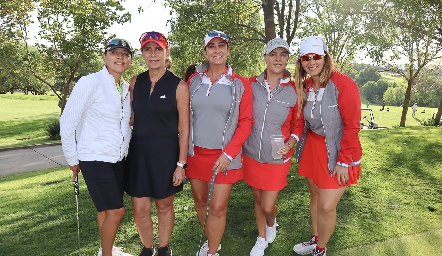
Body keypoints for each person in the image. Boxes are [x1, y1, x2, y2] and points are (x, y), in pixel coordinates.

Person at [60, 38, 134, 256]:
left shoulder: (125, 88)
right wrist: (72, 159)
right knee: (117, 211)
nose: (120, 57)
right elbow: (67, 122)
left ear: (130, 60)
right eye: (114, 53)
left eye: (125, 54)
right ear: (104, 57)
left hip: (117, 159)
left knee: (105, 210)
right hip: (94, 158)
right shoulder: (90, 82)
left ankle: (106, 249)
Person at [292, 36, 362, 256]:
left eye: (316, 57)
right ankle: (315, 238)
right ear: (300, 61)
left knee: (326, 205)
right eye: (306, 58)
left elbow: (352, 126)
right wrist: (293, 140)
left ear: (325, 58)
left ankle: (321, 249)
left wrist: (343, 161)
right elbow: (300, 120)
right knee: (315, 196)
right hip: (313, 148)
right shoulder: (304, 86)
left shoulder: (343, 84)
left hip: (338, 151)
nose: (311, 62)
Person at [186, 30, 253, 256]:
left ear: (228, 50)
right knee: (200, 201)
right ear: (205, 52)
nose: (217, 50)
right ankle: (212, 239)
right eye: (212, 46)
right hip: (195, 155)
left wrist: (229, 154)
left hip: (224, 157)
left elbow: (246, 122)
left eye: (221, 46)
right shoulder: (194, 81)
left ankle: (212, 251)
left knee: (217, 207)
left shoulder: (239, 83)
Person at [124, 31, 190, 256]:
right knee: (140, 208)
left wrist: (181, 164)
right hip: (138, 155)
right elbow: (129, 118)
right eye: (147, 49)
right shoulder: (135, 82)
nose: (153, 54)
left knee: (164, 205)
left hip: (166, 155)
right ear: (142, 53)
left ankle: (163, 248)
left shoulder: (179, 86)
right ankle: (147, 248)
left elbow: (184, 128)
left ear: (166, 52)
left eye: (158, 49)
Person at [242, 38, 304, 256]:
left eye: (283, 54)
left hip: (278, 156)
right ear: (265, 57)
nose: (278, 59)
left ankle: (271, 221)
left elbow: (298, 123)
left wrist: (291, 142)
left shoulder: (295, 90)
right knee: (258, 199)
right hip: (251, 154)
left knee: (268, 205)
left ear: (288, 59)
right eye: (273, 54)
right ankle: (261, 238)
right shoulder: (250, 85)